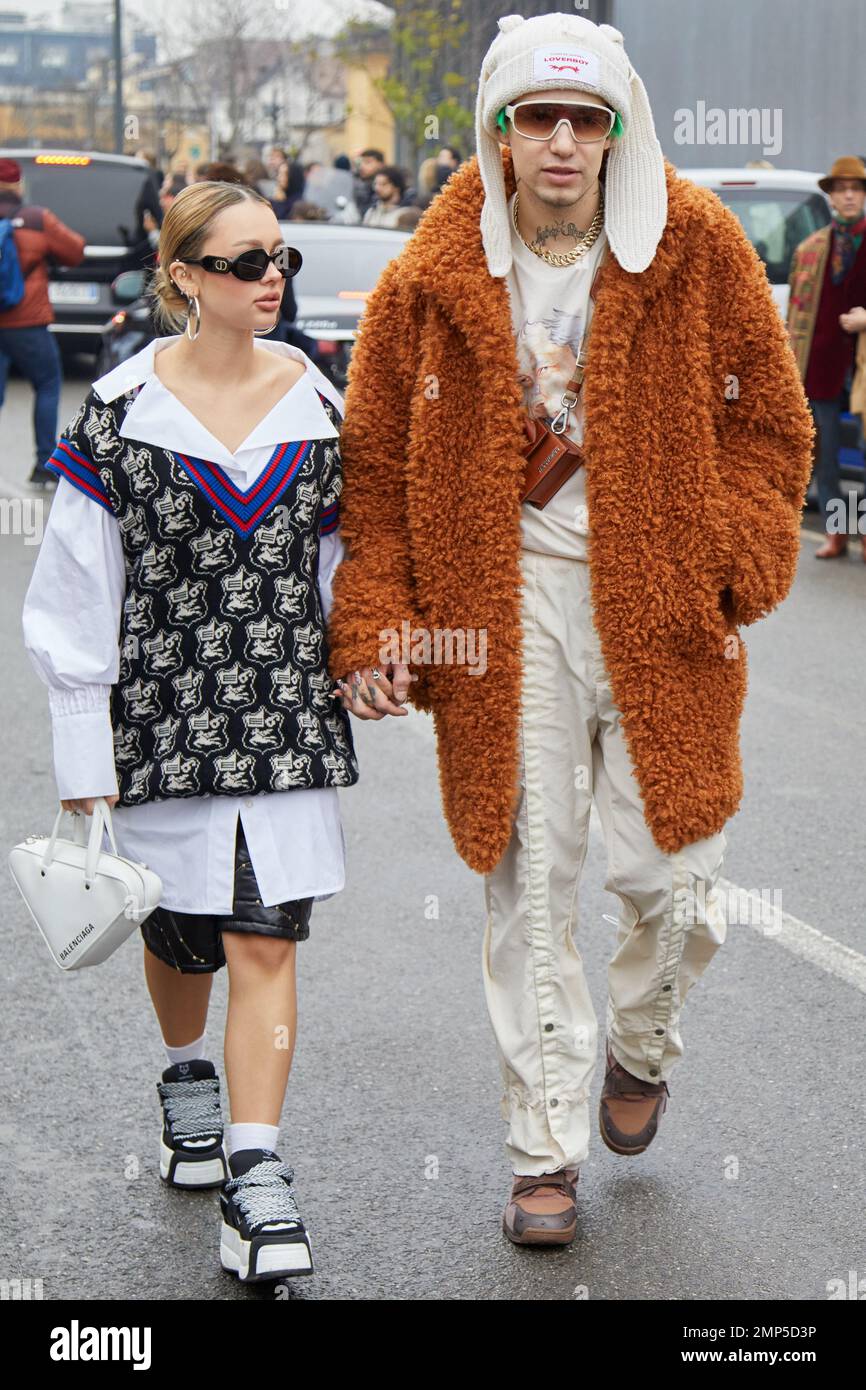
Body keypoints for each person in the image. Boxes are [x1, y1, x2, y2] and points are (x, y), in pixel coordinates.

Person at [325, 12, 814, 1248]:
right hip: (501, 611)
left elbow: (771, 427)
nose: (558, 142)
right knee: (528, 878)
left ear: (614, 128)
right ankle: (540, 1150)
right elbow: (373, 465)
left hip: (660, 601)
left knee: (674, 882)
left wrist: (730, 555)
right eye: (533, 117)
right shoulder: (431, 276)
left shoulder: (692, 246)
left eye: (582, 119)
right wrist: (379, 614)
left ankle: (642, 1044)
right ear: (496, 128)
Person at [21, 180, 359, 1283]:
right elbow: (75, 591)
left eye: (281, 259)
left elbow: (338, 565)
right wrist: (83, 753)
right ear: (184, 278)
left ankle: (255, 1179)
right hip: (160, 720)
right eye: (247, 261)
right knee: (181, 937)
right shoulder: (118, 415)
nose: (273, 279)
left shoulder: (315, 399)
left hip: (282, 716)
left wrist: (373, 649)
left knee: (265, 935)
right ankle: (185, 1078)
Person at [787, 155, 866, 560]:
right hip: (823, 367)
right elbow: (796, 317)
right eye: (841, 190)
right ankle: (838, 533)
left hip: (863, 368)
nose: (849, 196)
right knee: (829, 456)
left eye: (855, 189)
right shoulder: (811, 248)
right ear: (831, 197)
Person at [0, 157, 85, 489]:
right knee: (48, 384)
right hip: (26, 322)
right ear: (19, 185)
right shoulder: (36, 219)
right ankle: (43, 464)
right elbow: (75, 251)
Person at [353, 148, 385, 217]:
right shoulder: (355, 182)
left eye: (367, 162)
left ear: (380, 165)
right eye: (361, 163)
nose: (362, 166)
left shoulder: (387, 187)